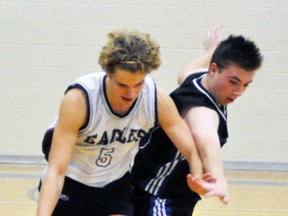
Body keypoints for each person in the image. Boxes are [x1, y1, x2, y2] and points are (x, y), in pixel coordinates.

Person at [36, 29, 210, 216]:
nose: (131, 93)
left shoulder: (155, 99)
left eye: (138, 84)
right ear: (107, 73)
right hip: (72, 182)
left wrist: (198, 175)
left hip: (114, 184)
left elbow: (190, 149)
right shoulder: (79, 100)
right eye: (122, 85)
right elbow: (56, 170)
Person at [131, 24, 264, 216]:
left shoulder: (198, 78)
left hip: (176, 191)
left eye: (245, 85)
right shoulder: (201, 110)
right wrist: (219, 180)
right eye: (233, 82)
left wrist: (213, 49)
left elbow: (186, 71)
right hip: (158, 195)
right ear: (214, 69)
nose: (238, 91)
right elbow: (207, 142)